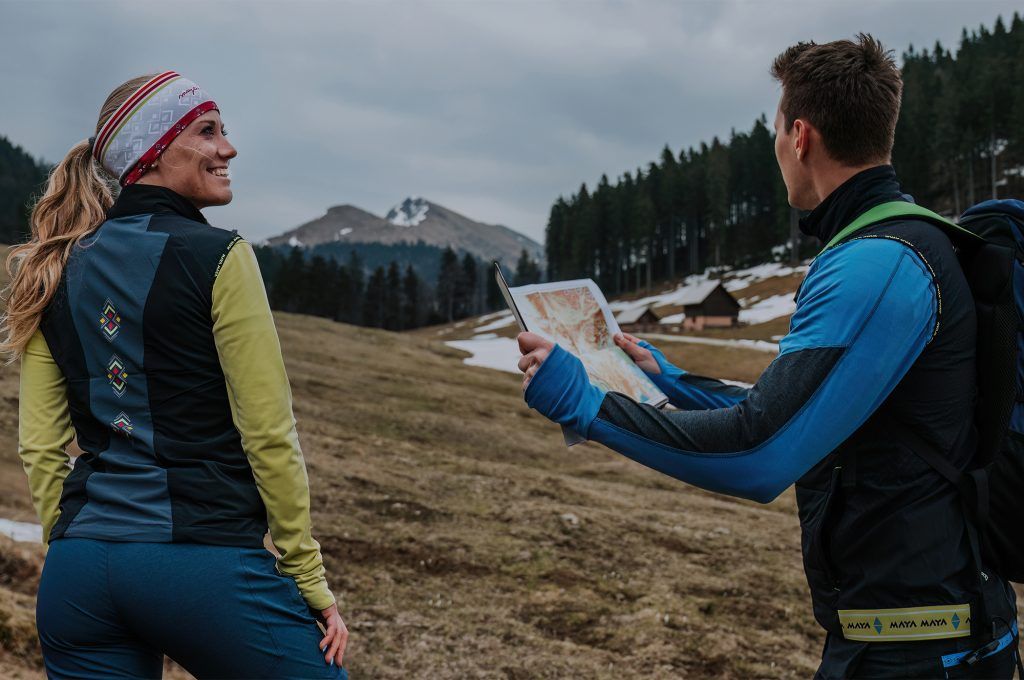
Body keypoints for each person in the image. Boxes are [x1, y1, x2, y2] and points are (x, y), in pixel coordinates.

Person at [517, 36, 1020, 679]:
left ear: (801, 136)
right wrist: (669, 382)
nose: (776, 145)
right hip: (911, 639)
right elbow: (809, 417)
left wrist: (585, 405)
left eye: (775, 129)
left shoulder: (879, 263)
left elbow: (760, 454)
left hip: (921, 652)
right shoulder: (898, 246)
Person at [3, 71, 348, 678]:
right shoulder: (220, 255)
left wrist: (78, 541)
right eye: (208, 132)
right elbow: (268, 432)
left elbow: (39, 447)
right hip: (200, 562)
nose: (228, 148)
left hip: (77, 575)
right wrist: (305, 576)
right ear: (154, 153)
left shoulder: (53, 267)